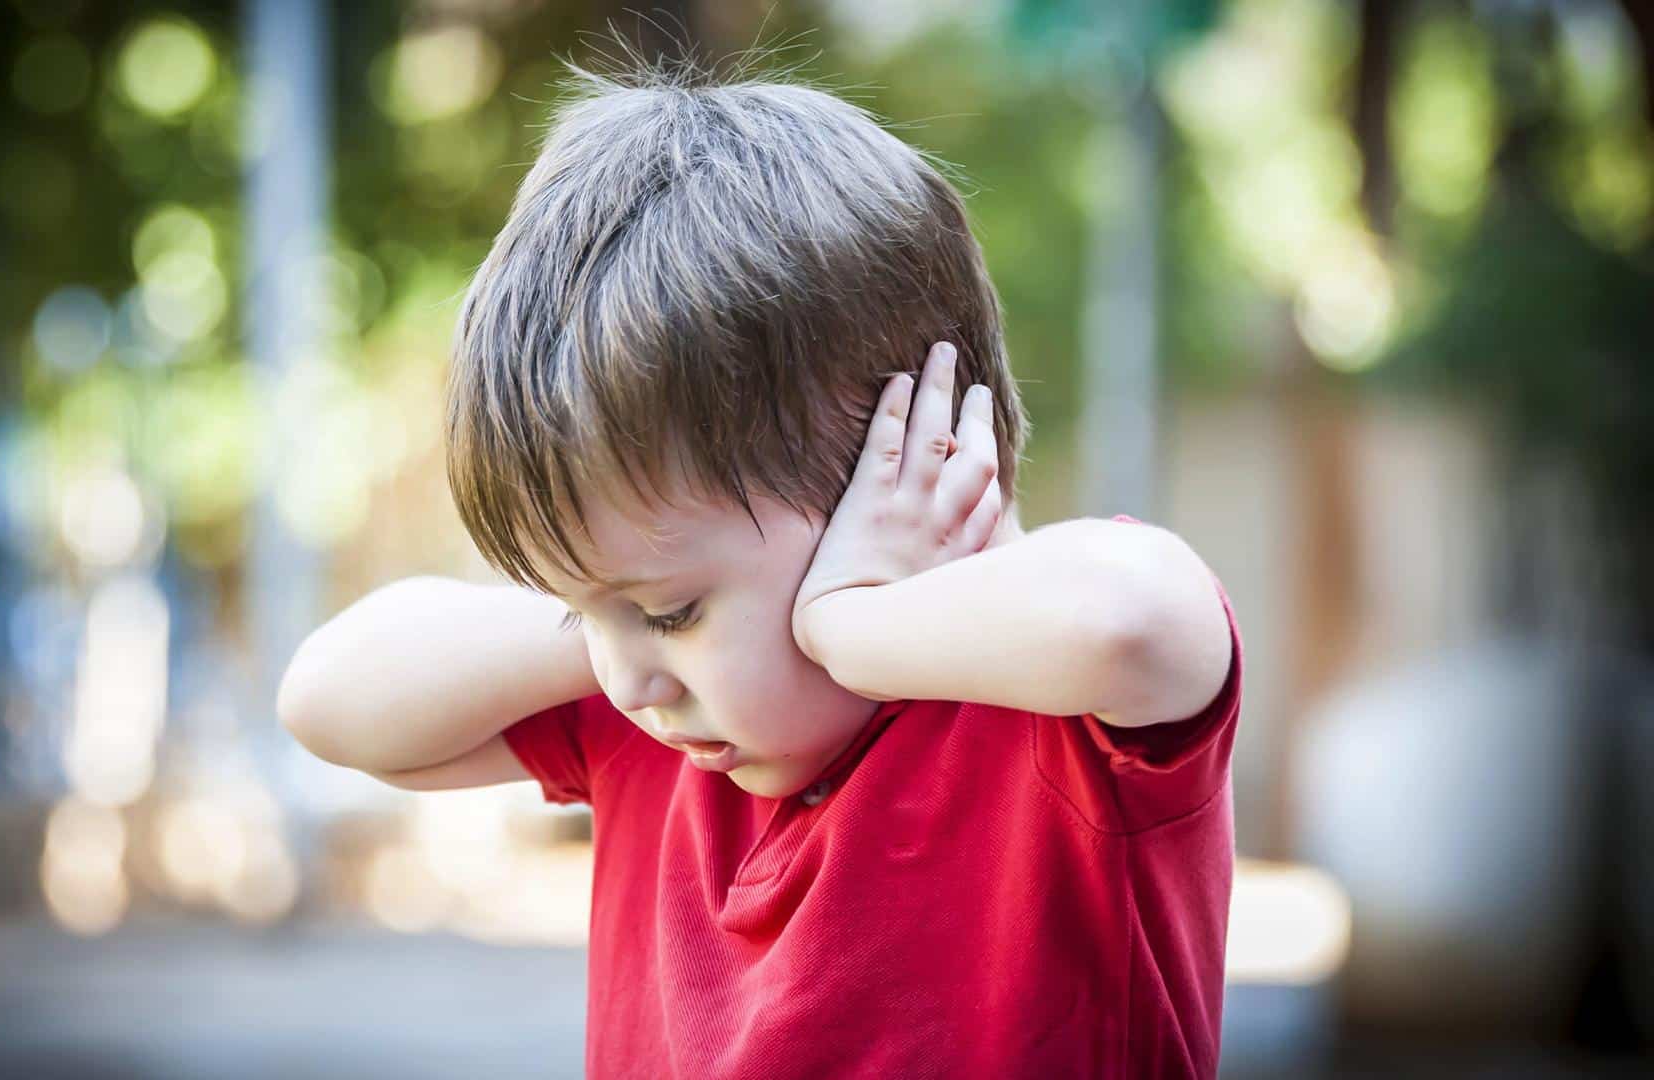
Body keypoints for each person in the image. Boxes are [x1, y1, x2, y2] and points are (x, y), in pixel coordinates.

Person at [278, 48, 1242, 1079]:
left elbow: (1138, 620)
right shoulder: (665, 720)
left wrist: (853, 623)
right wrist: (614, 610)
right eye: (586, 615)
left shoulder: (1056, 727)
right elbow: (327, 699)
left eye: (675, 611)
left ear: (916, 465)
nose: (629, 679)